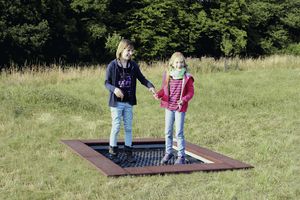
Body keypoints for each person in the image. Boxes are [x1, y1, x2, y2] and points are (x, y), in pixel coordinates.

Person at [105, 39, 155, 163]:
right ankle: (113, 153)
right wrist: (114, 89)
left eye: (132, 51)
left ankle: (128, 153)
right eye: (128, 50)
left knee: (128, 128)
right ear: (121, 50)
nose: (130, 53)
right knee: (116, 126)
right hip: (116, 103)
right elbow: (106, 83)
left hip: (128, 102)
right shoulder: (112, 65)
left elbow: (142, 78)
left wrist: (150, 86)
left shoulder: (133, 66)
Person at [154, 52, 194, 165]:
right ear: (172, 63)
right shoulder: (168, 74)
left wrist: (184, 99)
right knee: (167, 131)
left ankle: (181, 155)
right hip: (169, 107)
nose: (179, 64)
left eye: (181, 62)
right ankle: (168, 152)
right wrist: (159, 94)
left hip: (179, 108)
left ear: (184, 63)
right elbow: (164, 89)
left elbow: (191, 92)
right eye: (177, 62)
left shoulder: (187, 77)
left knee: (179, 133)